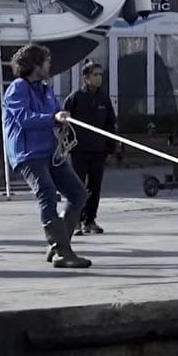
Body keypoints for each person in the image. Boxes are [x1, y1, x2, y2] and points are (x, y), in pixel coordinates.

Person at [2, 44, 91, 269]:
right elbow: (24, 118)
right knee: (48, 193)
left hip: (50, 152)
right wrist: (53, 118)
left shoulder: (45, 88)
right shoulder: (17, 88)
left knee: (78, 193)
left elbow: (55, 111)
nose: (50, 65)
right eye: (46, 61)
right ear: (34, 64)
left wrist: (62, 118)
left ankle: (58, 245)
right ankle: (62, 251)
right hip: (28, 154)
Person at [62, 61, 116, 235]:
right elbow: (64, 124)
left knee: (95, 186)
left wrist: (110, 148)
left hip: (98, 150)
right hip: (79, 151)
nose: (99, 78)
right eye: (95, 75)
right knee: (78, 186)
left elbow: (110, 124)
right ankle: (75, 221)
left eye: (100, 75)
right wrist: (68, 145)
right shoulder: (75, 98)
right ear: (86, 78)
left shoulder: (104, 99)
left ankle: (89, 220)